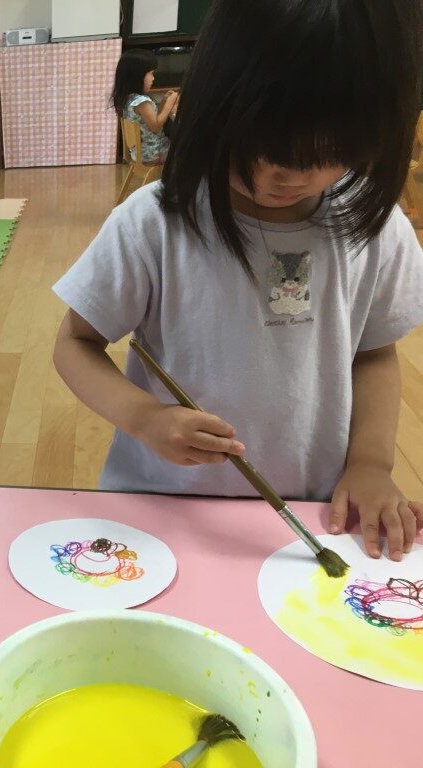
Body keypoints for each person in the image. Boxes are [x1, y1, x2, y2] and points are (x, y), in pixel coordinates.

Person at [54, 0, 423, 561]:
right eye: (263, 146)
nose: (286, 175)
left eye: (329, 152)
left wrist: (371, 464)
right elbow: (75, 344)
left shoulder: (373, 228)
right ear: (212, 106)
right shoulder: (154, 223)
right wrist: (146, 419)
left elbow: (374, 354)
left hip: (308, 516)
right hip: (159, 510)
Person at [112, 49, 178, 164]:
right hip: (153, 153)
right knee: (184, 150)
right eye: (151, 73)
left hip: (140, 153)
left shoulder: (130, 99)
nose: (153, 78)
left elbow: (153, 116)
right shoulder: (142, 103)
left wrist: (164, 101)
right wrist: (169, 105)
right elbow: (156, 127)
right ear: (137, 76)